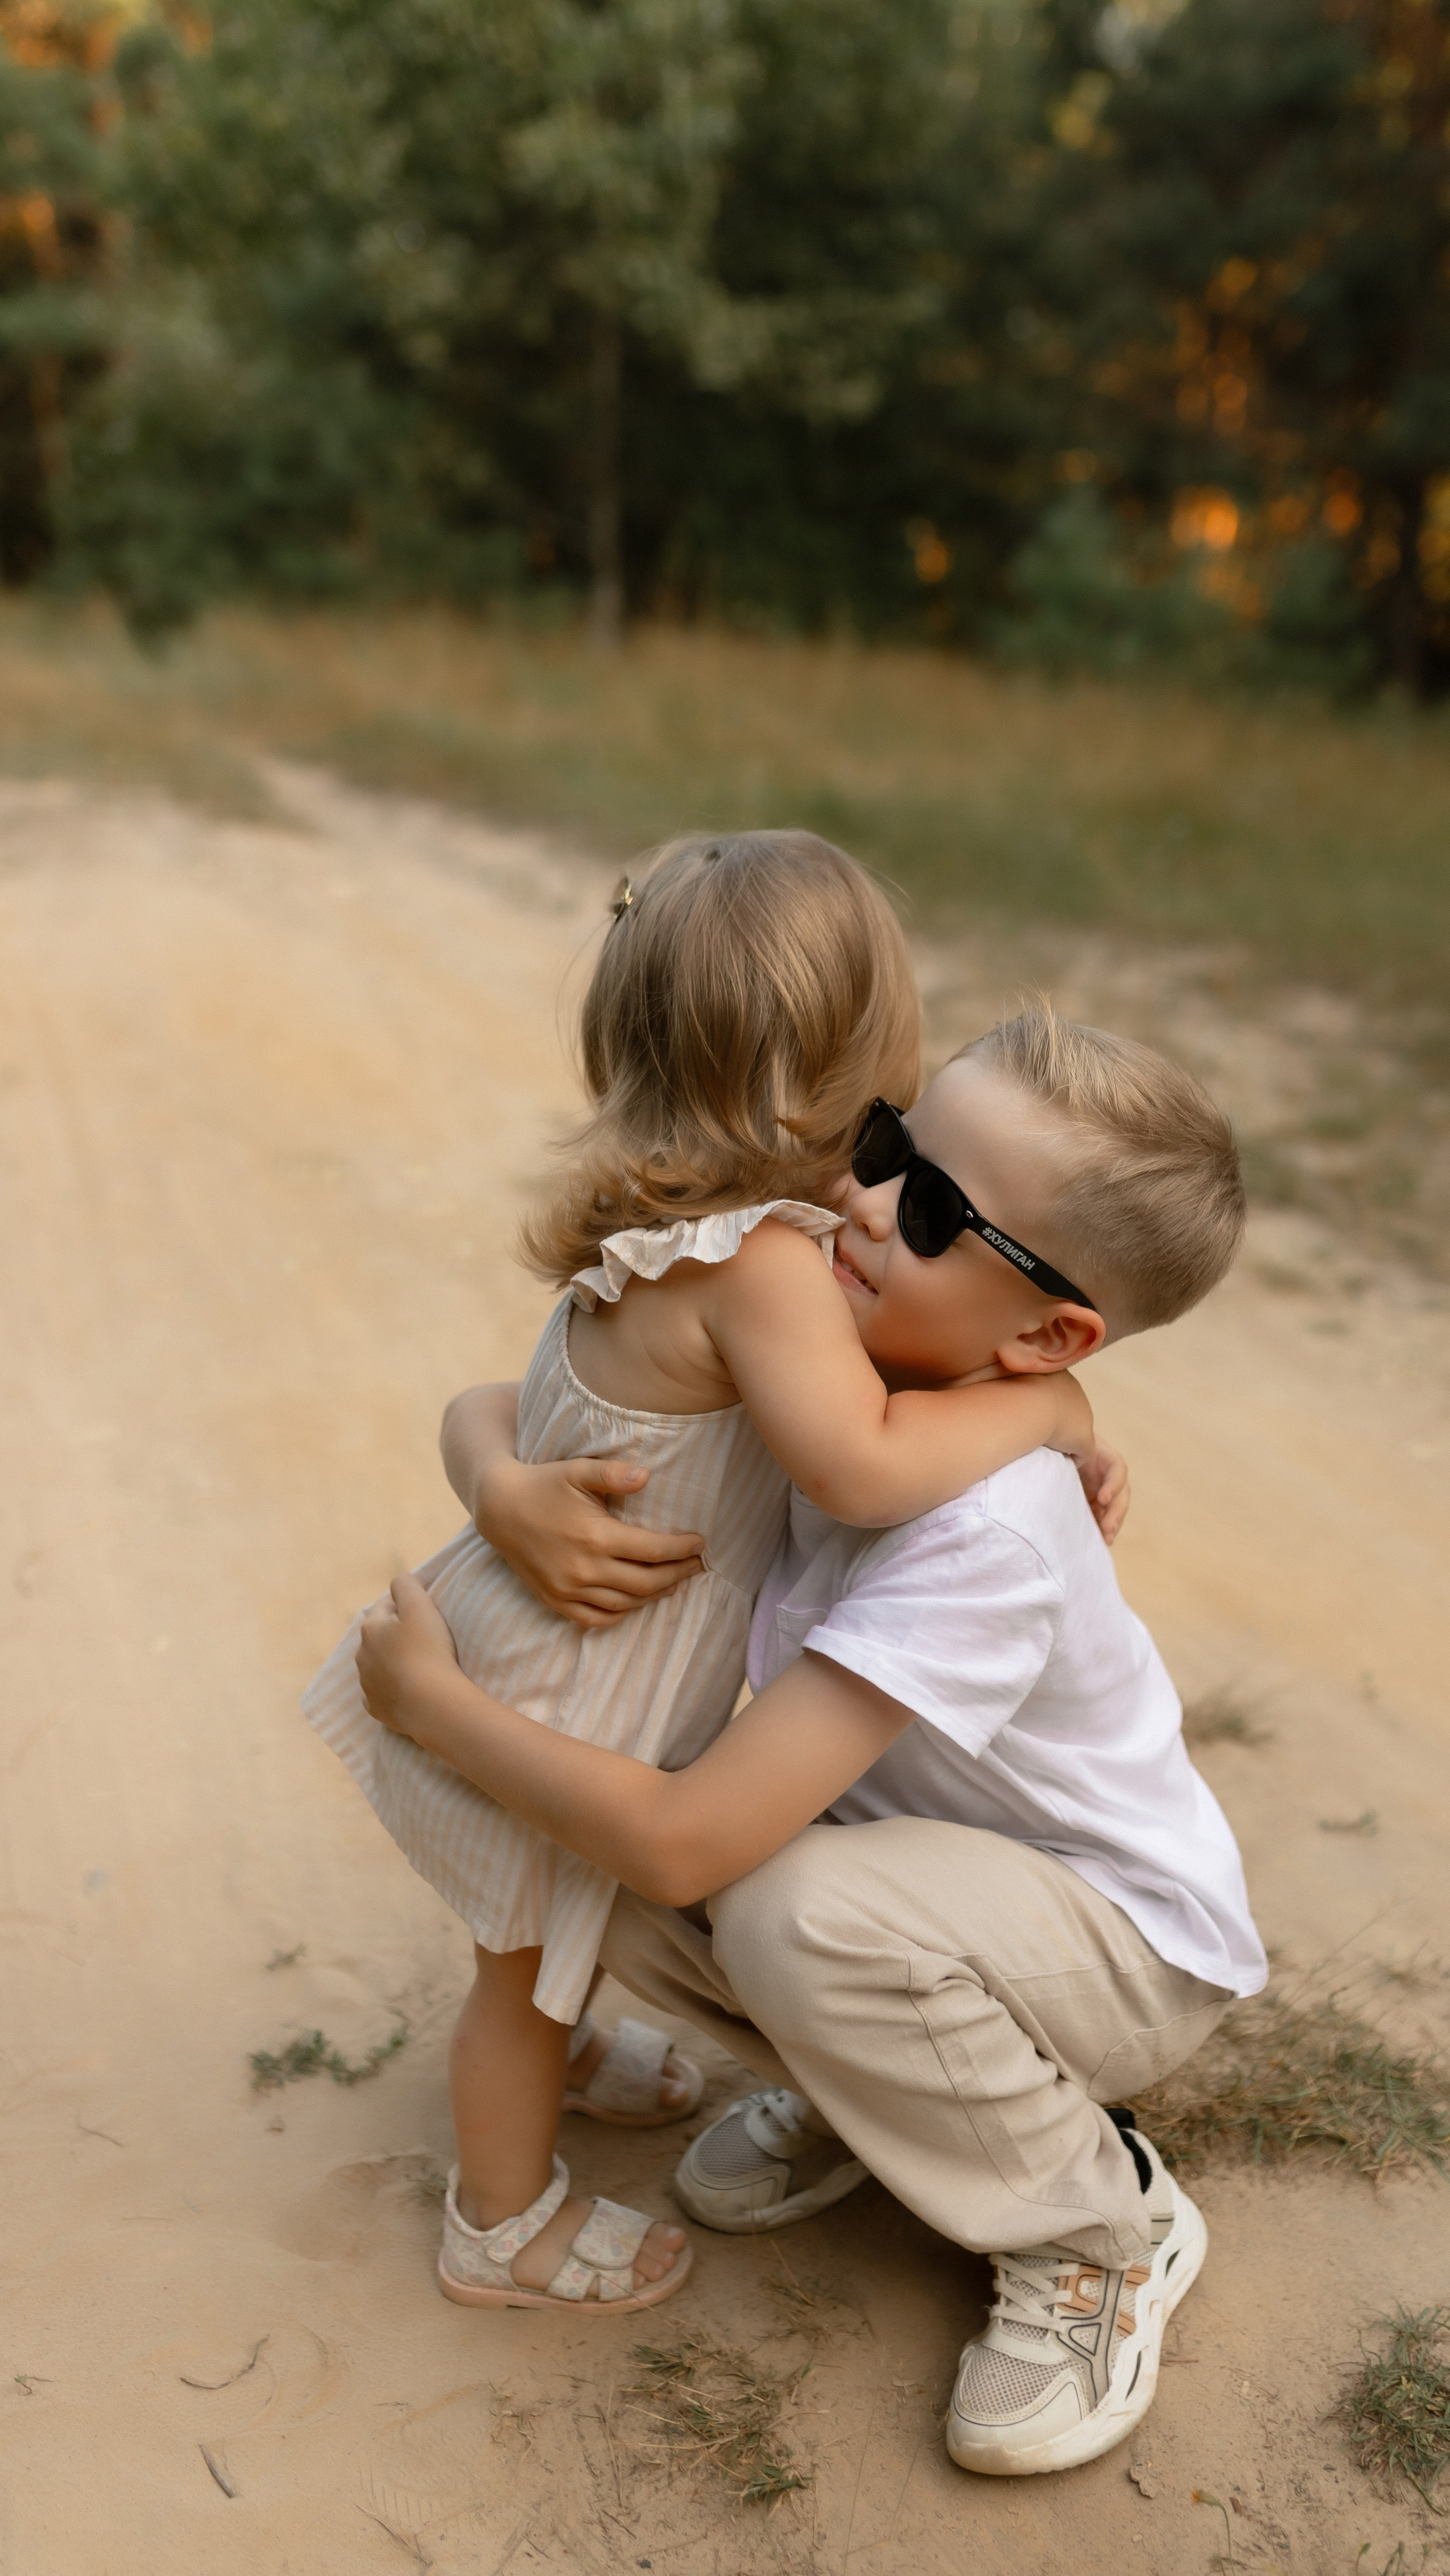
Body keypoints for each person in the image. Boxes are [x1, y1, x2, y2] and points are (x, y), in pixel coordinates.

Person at [358, 1004, 1266, 2477]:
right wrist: (499, 1482)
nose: (854, 1196)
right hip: (922, 1875)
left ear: (1045, 1331)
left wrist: (443, 1712)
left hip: (1121, 1947)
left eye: (927, 1204)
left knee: (761, 1890)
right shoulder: (829, 1372)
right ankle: (888, 2091)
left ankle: (1097, 2227)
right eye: (884, 1140)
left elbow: (691, 1840)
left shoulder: (988, 1531)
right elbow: (534, 1394)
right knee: (602, 1817)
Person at [304, 833, 1110, 2320]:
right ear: (851, 1065)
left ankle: (575, 2055)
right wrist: (1050, 1409)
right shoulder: (765, 1273)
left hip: (537, 1632)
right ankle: (503, 2225)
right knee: (520, 1971)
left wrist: (488, 1476)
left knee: (541, 1944)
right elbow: (862, 1463)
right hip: (569, 1681)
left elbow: (510, 1399)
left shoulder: (658, 1224)